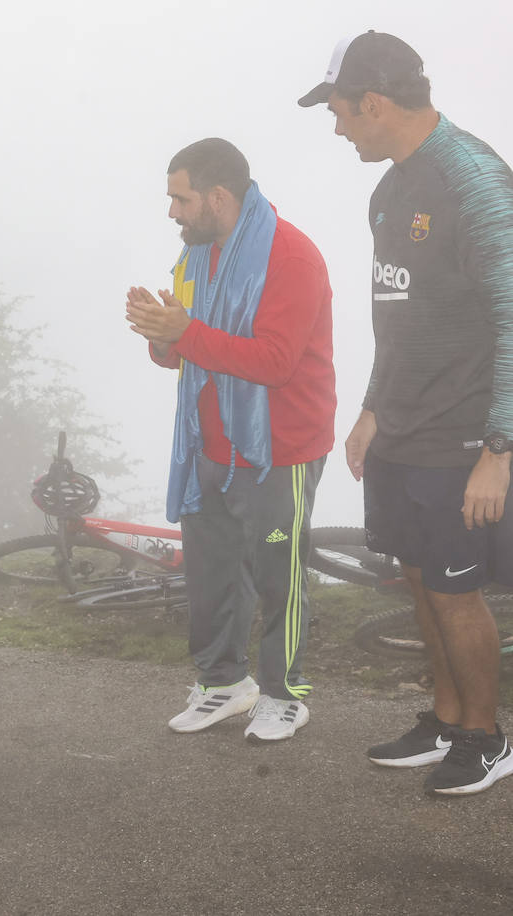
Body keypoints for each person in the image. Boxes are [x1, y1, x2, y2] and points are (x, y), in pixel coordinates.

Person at [300, 31, 513, 795]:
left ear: (374, 103)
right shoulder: (390, 189)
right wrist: (369, 410)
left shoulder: (475, 182)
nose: (336, 127)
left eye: (339, 112)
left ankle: (487, 738)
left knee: (458, 592)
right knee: (420, 581)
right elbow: (399, 315)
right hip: (403, 429)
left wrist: (500, 446)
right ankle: (447, 720)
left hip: (463, 436)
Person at [127, 138, 335, 743]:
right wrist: (161, 335)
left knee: (277, 575)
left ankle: (283, 694)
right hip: (208, 448)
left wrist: (184, 333)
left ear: (219, 197)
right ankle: (223, 684)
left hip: (279, 448)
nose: (172, 212)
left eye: (180, 199)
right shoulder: (196, 258)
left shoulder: (291, 255)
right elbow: (183, 357)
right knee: (212, 573)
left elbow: (273, 362)